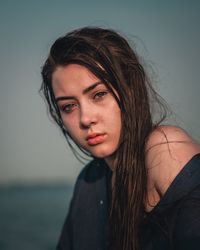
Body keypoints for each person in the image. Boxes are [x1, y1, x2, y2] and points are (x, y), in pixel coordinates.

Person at [40, 27, 200, 250]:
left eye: (99, 94)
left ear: (130, 90)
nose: (85, 119)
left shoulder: (165, 149)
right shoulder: (88, 182)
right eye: (68, 106)